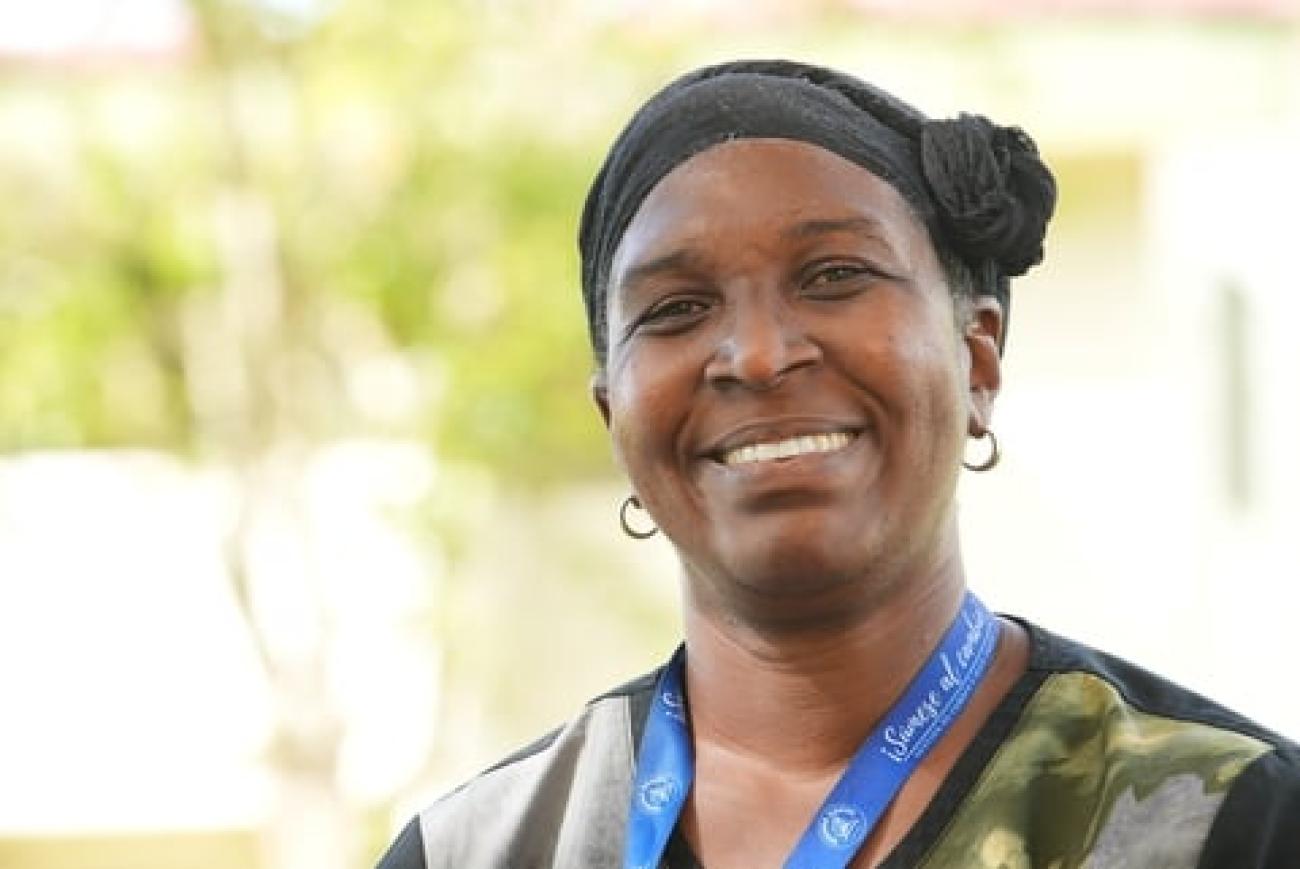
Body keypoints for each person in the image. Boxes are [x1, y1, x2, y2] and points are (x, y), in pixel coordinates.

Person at [377, 59, 1300, 868]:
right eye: (675, 309)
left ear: (978, 359)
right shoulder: (483, 848)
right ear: (614, 415)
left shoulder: (1219, 817)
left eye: (834, 277)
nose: (759, 353)